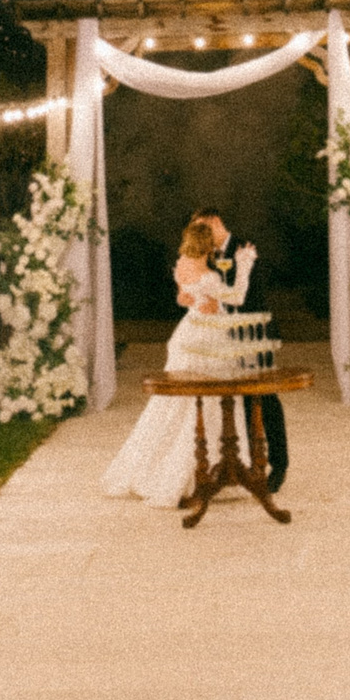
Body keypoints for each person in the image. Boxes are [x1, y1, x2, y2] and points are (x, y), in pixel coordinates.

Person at [100, 217, 255, 507]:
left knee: (177, 403)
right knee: (212, 400)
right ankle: (201, 472)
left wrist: (196, 300)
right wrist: (245, 263)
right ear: (208, 245)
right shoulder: (209, 274)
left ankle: (163, 469)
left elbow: (183, 298)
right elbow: (236, 297)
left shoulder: (182, 264)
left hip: (187, 334)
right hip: (209, 337)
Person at [188, 209, 289, 493]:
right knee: (238, 402)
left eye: (204, 229)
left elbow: (252, 295)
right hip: (224, 337)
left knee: (265, 397)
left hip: (255, 333)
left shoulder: (246, 247)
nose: (203, 236)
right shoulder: (207, 255)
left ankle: (279, 465)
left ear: (216, 222)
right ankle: (249, 465)